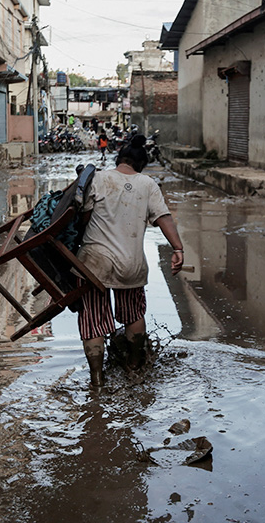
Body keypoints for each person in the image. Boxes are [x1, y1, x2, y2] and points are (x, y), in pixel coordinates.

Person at [76, 134, 184, 387]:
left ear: (119, 159)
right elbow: (163, 217)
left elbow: (81, 218)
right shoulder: (147, 184)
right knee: (133, 314)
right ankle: (134, 368)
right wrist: (178, 248)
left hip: (94, 261)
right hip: (131, 264)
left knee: (93, 319)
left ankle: (97, 379)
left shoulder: (99, 178)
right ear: (141, 165)